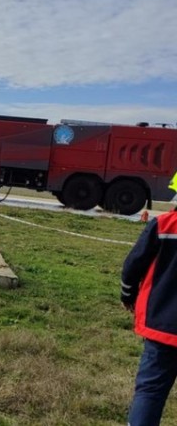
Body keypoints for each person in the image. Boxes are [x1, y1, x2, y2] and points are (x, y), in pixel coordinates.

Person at [121, 172, 177, 425]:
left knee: (150, 392)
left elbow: (133, 266)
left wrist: (127, 294)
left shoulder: (164, 225)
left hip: (162, 325)